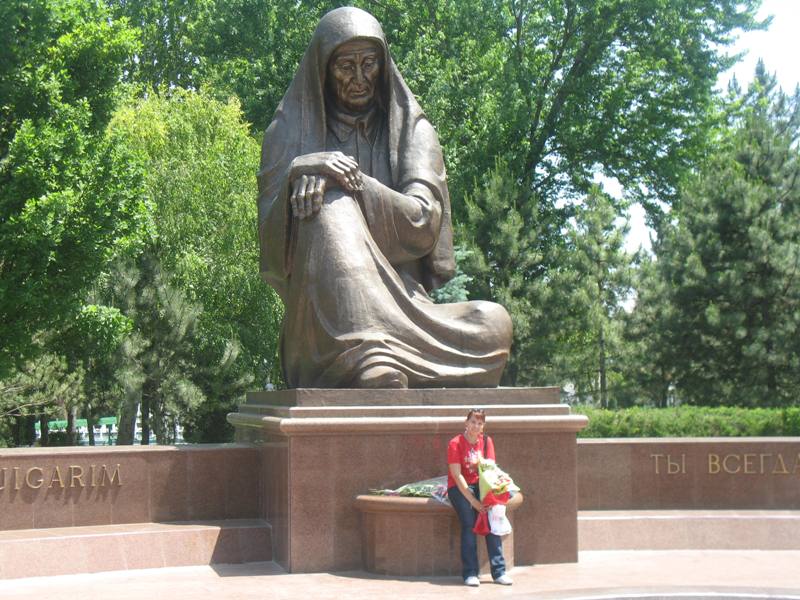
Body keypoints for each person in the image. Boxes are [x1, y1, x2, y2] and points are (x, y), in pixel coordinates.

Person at [257, 6, 512, 389]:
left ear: (383, 65)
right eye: (345, 66)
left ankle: (382, 356)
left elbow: (423, 223)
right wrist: (300, 173)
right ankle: (369, 356)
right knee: (329, 205)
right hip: (325, 327)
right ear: (322, 70)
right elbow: (273, 258)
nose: (359, 78)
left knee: (492, 322)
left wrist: (350, 181)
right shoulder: (287, 134)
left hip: (410, 311)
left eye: (370, 64)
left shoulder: (413, 129)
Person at [447, 408, 513, 586]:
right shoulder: (456, 443)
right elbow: (456, 475)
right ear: (466, 423)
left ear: (483, 426)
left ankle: (499, 572)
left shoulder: (486, 442)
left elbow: (490, 470)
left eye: (480, 423)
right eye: (473, 422)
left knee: (492, 520)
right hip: (460, 488)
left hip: (483, 485)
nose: (476, 426)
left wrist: (488, 497)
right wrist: (473, 501)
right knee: (469, 524)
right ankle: (470, 573)